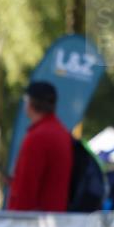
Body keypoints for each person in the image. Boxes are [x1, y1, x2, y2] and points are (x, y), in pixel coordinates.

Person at [6, 81, 73, 212]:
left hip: (34, 223)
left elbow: (27, 187)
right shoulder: (62, 132)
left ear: (30, 103)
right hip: (54, 218)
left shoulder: (37, 137)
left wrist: (13, 220)